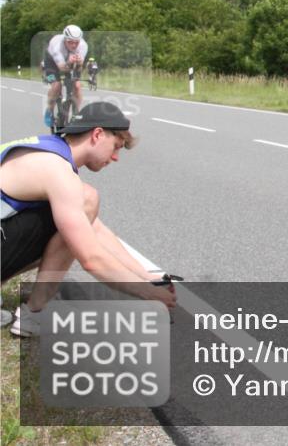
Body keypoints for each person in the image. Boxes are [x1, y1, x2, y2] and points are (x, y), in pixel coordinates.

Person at [1, 102, 176, 336]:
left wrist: (146, 276)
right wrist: (148, 294)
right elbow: (91, 257)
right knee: (84, 207)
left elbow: (94, 230)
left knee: (82, 210)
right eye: (116, 146)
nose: (115, 157)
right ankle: (34, 314)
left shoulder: (46, 150)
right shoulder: (57, 171)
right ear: (97, 134)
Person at [43, 25, 88, 129]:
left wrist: (79, 63)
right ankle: (49, 110)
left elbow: (80, 69)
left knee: (77, 86)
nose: (73, 45)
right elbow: (62, 68)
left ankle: (76, 114)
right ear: (64, 39)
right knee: (56, 85)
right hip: (52, 63)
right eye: (70, 42)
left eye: (76, 42)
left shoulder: (83, 46)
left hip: (70, 62)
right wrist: (69, 61)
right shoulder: (56, 45)